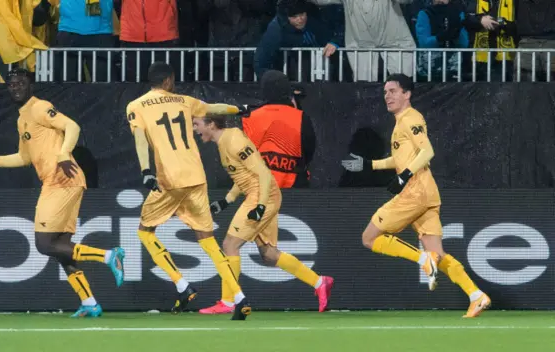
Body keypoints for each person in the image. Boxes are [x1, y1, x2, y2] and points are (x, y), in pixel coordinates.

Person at [0, 68, 125, 318]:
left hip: (62, 180)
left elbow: (73, 126)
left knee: (44, 244)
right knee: (60, 247)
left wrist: (62, 154)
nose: (15, 87)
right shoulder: (22, 119)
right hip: (57, 183)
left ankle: (108, 256)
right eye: (11, 84)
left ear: (30, 85)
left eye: (20, 83)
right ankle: (90, 302)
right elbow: (23, 157)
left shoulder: (39, 107)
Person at [341, 74, 490, 318]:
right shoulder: (402, 122)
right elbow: (401, 159)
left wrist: (404, 176)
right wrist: (370, 165)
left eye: (393, 91)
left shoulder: (410, 119)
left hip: (415, 192)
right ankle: (476, 295)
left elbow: (427, 151)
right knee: (439, 255)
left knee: (369, 237)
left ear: (407, 94)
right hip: (428, 193)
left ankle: (422, 259)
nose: (387, 96)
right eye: (385, 92)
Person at [126, 62, 251, 320]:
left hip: (168, 179)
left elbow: (140, 138)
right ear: (169, 81)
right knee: (207, 239)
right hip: (195, 176)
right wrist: (240, 109)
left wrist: (146, 171)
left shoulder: (136, 105)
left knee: (145, 232)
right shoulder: (184, 101)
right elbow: (214, 108)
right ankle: (238, 297)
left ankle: (182, 285)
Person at [192, 115, 334, 315]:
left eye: (197, 124)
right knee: (269, 254)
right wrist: (227, 200)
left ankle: (229, 300)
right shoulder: (224, 142)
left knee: (229, 245)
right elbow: (242, 175)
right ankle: (320, 282)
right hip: (259, 195)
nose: (194, 129)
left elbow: (264, 173)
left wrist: (260, 206)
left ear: (211, 124)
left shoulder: (234, 141)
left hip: (262, 196)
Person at [242, 70, 316, 188]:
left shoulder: (250, 117)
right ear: (286, 90)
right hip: (294, 187)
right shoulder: (300, 117)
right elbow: (309, 149)